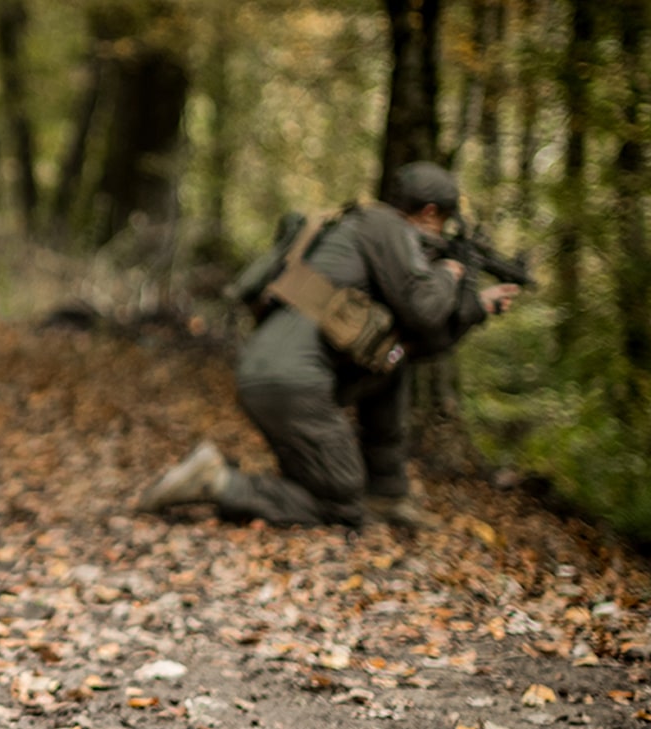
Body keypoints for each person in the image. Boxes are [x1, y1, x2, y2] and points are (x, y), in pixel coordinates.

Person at [136, 161, 521, 528]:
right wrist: (450, 272)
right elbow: (425, 308)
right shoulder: (385, 226)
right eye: (442, 222)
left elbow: (411, 343)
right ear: (430, 212)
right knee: (341, 503)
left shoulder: (356, 229)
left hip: (275, 374)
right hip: (292, 382)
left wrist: (477, 308)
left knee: (390, 363)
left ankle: (387, 494)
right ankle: (219, 483)